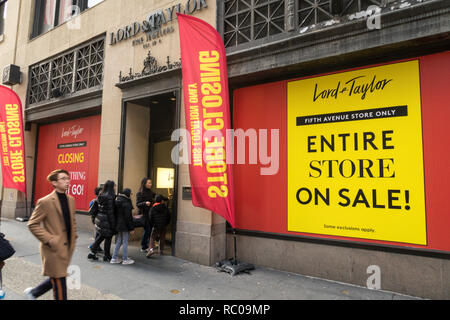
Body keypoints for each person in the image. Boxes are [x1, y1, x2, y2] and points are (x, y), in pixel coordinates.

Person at [25, 169, 78, 300]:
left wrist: (74, 235)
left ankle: (34, 293)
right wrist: (50, 240)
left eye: (68, 178)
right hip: (52, 249)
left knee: (58, 275)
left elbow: (72, 220)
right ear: (54, 182)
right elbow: (32, 224)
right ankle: (34, 293)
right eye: (63, 179)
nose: (67, 181)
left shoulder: (71, 199)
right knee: (60, 283)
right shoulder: (45, 201)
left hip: (67, 247)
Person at [88, 180, 116, 262]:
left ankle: (93, 251)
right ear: (111, 187)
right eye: (114, 186)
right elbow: (110, 212)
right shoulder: (110, 197)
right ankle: (107, 256)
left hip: (100, 220)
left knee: (101, 236)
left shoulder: (101, 195)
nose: (115, 187)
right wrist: (113, 224)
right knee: (108, 238)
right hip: (106, 221)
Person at [111, 188, 135, 265]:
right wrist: (131, 228)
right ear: (128, 194)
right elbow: (128, 217)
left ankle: (114, 258)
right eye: (131, 193)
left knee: (119, 241)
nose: (131, 195)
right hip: (125, 225)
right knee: (125, 242)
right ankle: (125, 259)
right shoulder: (126, 202)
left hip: (119, 224)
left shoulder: (118, 200)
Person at [136, 178, 155, 252]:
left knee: (149, 230)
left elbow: (155, 196)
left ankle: (147, 245)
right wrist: (145, 203)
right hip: (144, 214)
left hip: (150, 214)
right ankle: (144, 246)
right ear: (144, 184)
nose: (150, 184)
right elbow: (138, 204)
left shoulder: (150, 192)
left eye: (151, 183)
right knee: (147, 230)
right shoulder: (140, 193)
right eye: (149, 183)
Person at [88, 186, 103, 253]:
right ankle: (93, 246)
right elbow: (92, 210)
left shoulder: (98, 200)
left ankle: (97, 246)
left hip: (97, 219)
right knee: (98, 234)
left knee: (98, 233)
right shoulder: (95, 201)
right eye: (101, 191)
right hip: (96, 219)